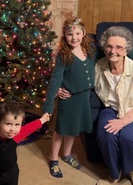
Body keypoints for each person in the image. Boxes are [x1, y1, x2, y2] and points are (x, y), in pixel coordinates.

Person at [93, 26, 133, 185]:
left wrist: (123, 121)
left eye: (118, 47)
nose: (112, 51)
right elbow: (83, 81)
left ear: (126, 50)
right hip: (113, 108)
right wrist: (64, 88)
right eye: (109, 46)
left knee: (127, 136)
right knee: (105, 134)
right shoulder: (99, 66)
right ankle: (114, 174)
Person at [42, 16, 95, 178]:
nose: (74, 38)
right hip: (68, 99)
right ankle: (53, 159)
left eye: (78, 33)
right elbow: (55, 80)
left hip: (83, 98)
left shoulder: (91, 49)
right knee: (61, 130)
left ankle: (66, 155)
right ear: (64, 35)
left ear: (84, 33)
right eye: (70, 34)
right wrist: (48, 107)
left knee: (73, 130)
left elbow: (112, 49)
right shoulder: (63, 55)